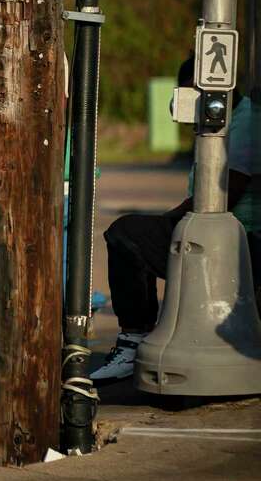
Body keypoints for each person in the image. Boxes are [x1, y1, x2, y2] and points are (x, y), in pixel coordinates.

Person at [92, 60, 260, 383]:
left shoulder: (244, 124)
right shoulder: (227, 123)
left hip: (240, 242)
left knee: (125, 234)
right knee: (137, 232)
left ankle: (133, 339)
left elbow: (224, 193)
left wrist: (171, 218)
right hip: (223, 233)